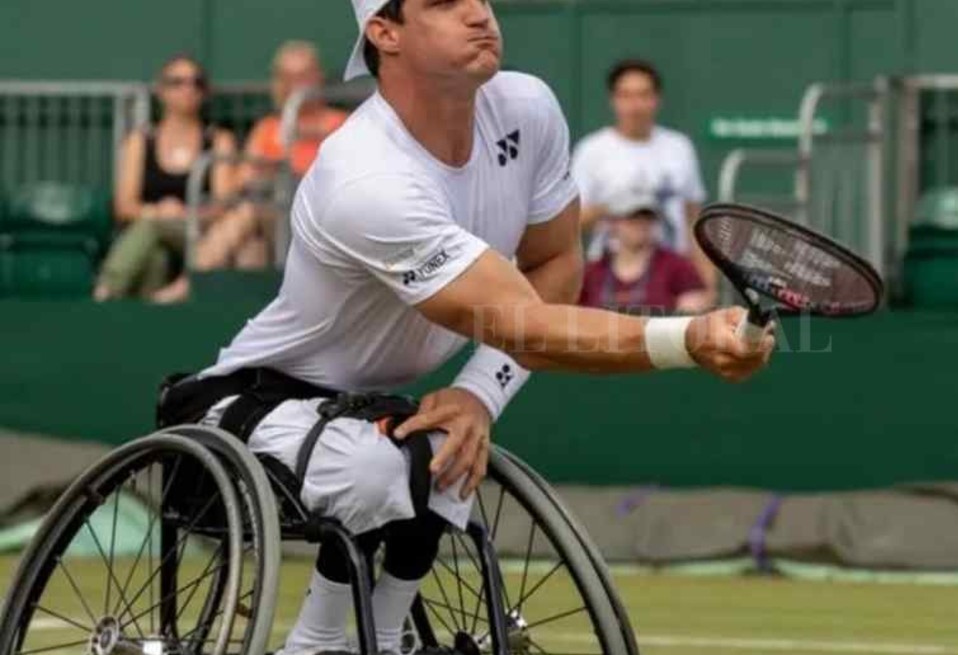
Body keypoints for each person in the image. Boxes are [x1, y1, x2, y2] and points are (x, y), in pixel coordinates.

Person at [154, 3, 773, 655]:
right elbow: (527, 327)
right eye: (445, 1)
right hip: (252, 401)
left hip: (369, 407)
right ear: (385, 34)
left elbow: (554, 261)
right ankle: (311, 644)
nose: (480, 11)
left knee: (443, 453)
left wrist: (480, 392)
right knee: (379, 464)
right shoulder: (364, 177)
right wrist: (690, 339)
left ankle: (384, 637)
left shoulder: (527, 108)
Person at [191, 41, 350, 272]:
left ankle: (192, 275)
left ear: (317, 77)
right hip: (272, 217)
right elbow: (239, 181)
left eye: (303, 76)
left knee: (249, 212)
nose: (295, 85)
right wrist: (263, 173)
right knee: (250, 249)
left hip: (321, 219)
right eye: (287, 77)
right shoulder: (268, 128)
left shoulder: (342, 125)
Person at [93, 55, 236, 302]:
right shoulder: (140, 141)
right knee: (155, 254)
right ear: (161, 90)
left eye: (197, 82)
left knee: (151, 224)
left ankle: (105, 290)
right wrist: (158, 211)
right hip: (148, 230)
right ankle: (150, 311)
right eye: (177, 82)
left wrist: (183, 214)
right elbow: (124, 206)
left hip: (198, 234)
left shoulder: (219, 140)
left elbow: (222, 205)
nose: (188, 89)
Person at [570, 58, 716, 302]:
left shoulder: (679, 148)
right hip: (609, 277)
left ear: (656, 98)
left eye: (643, 95)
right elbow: (571, 222)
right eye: (626, 95)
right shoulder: (592, 151)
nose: (635, 105)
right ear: (613, 100)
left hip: (672, 279)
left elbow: (693, 219)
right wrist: (619, 209)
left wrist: (707, 283)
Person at [579, 187, 710, 314]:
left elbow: (691, 317)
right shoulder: (592, 273)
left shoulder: (677, 267)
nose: (641, 224)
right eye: (632, 217)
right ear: (613, 223)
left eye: (647, 217)